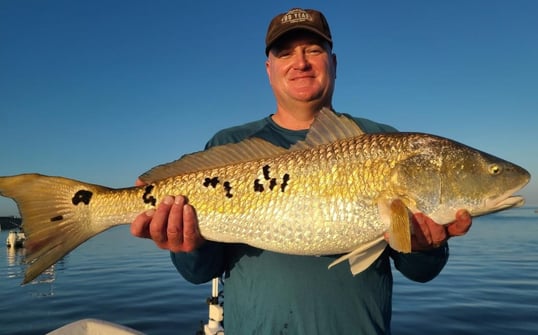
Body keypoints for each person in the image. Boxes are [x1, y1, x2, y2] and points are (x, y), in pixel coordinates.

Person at [131, 8, 472, 334]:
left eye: (313, 50)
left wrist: (428, 248)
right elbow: (200, 272)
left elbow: (420, 272)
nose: (301, 63)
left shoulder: (382, 140)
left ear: (334, 63)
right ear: (268, 68)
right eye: (285, 53)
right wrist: (186, 244)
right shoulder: (229, 144)